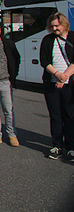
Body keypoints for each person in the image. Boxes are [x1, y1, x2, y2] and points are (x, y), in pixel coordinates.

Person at [39, 12, 74, 161]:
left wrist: (64, 76)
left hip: (69, 84)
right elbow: (44, 60)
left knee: (70, 116)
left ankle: (71, 147)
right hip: (51, 83)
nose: (54, 29)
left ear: (64, 24)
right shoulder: (48, 39)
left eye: (57, 26)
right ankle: (57, 145)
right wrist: (56, 74)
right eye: (52, 26)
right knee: (55, 116)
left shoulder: (72, 37)